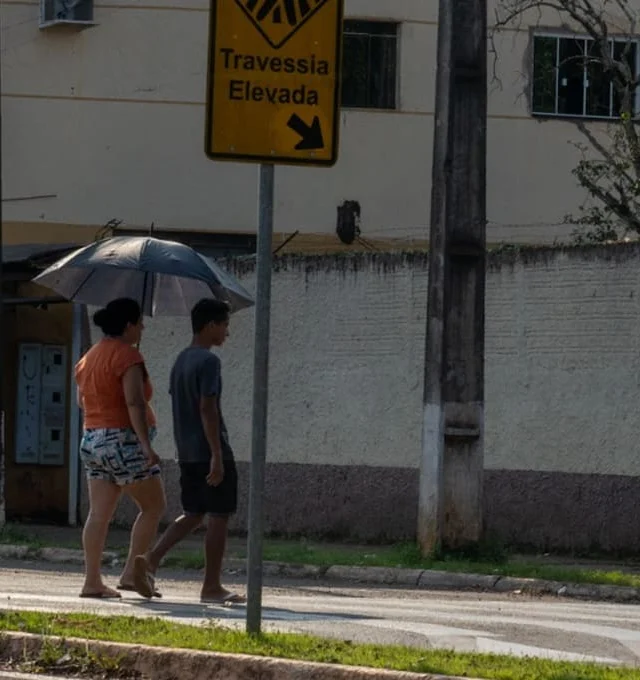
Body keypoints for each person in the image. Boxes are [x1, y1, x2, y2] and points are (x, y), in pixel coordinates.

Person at [133, 298, 244, 605]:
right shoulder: (209, 362)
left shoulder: (181, 360)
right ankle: (212, 586)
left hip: (186, 451)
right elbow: (207, 409)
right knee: (219, 516)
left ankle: (151, 560)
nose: (227, 333)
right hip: (208, 450)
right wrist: (217, 455)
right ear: (210, 325)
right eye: (224, 325)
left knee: (194, 513)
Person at [75, 297, 166, 599]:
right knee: (153, 506)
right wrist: (145, 445)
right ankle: (130, 574)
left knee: (98, 514)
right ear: (128, 326)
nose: (142, 328)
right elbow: (134, 403)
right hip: (123, 442)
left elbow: (81, 402)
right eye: (140, 323)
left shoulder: (88, 358)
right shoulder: (128, 357)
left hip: (92, 439)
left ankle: (92, 581)